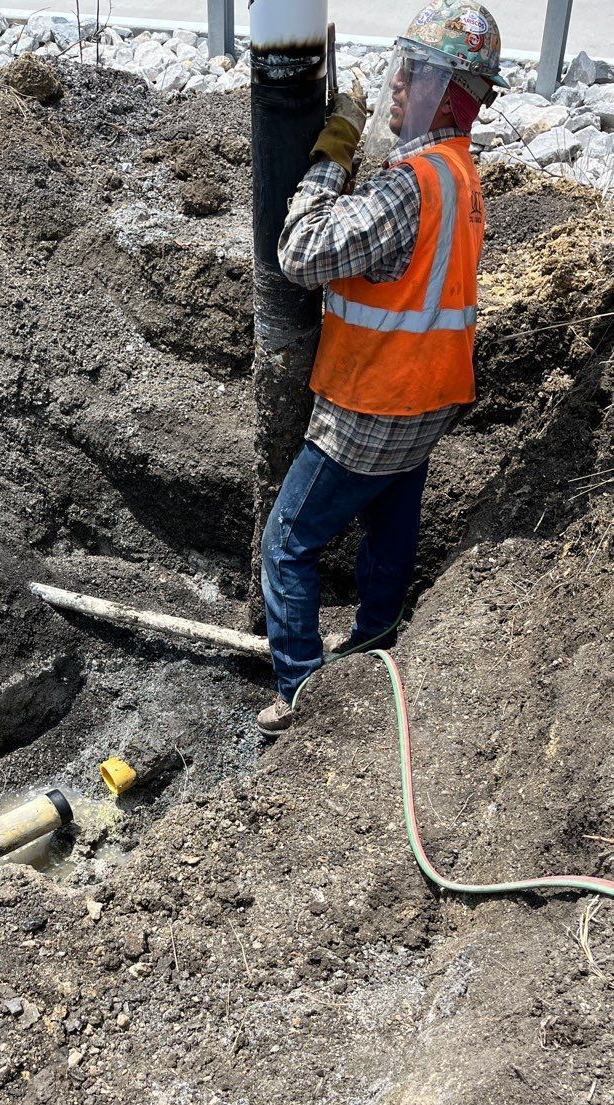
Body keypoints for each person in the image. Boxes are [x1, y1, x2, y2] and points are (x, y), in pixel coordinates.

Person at [257, 1, 506, 738]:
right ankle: (375, 631)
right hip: (429, 398)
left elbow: (300, 255)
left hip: (372, 404)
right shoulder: (458, 174)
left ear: (450, 92)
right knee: (390, 519)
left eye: (415, 76)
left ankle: (301, 692)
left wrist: (331, 159)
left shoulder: (408, 187)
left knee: (287, 544)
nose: (399, 88)